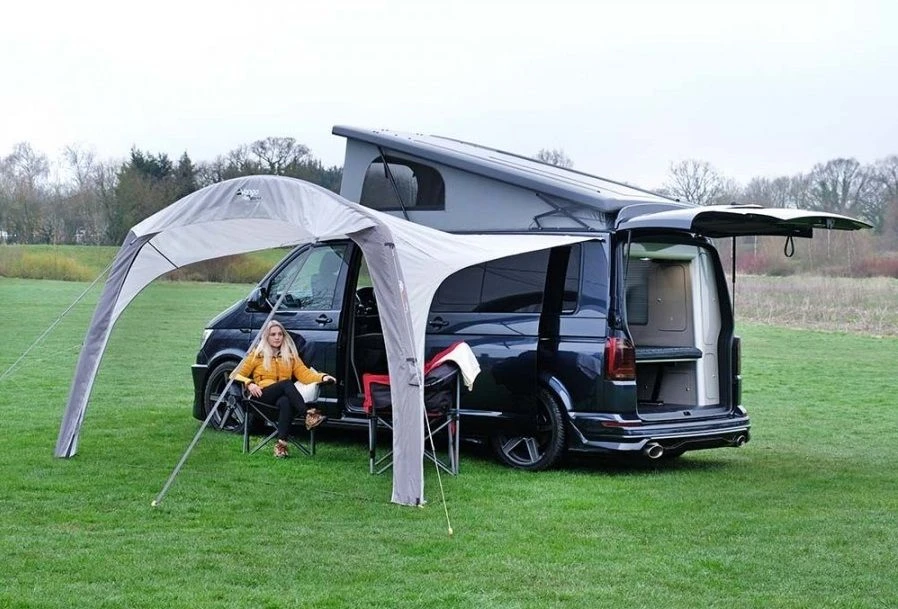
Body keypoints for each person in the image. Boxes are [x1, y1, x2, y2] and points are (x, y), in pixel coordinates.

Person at [231, 320, 336, 458]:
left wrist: (323, 377)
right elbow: (235, 375)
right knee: (286, 383)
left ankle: (281, 446)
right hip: (261, 397)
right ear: (266, 337)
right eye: (273, 334)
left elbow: (305, 375)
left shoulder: (290, 356)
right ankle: (308, 415)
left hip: (279, 400)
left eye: (280, 334)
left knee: (285, 401)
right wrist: (249, 383)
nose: (277, 337)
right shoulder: (257, 355)